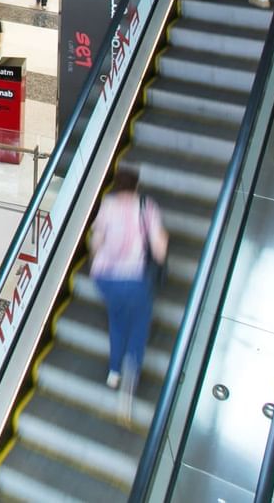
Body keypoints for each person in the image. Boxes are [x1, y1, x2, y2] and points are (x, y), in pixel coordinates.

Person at [88, 166, 168, 416]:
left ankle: (114, 372)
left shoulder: (107, 205)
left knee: (118, 320)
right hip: (134, 279)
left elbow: (96, 242)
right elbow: (159, 250)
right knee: (138, 326)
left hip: (105, 278)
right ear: (135, 187)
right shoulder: (147, 207)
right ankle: (130, 373)